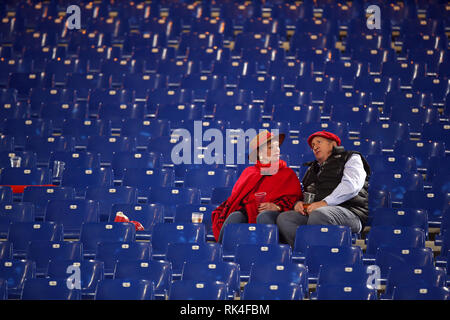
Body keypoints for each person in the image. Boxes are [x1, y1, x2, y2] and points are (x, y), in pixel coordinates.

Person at [276, 131, 371, 247]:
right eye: (313, 145)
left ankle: (319, 254)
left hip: (350, 212)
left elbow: (351, 186)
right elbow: (305, 193)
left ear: (333, 144)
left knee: (319, 214)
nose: (315, 147)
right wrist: (298, 203)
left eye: (319, 142)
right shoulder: (313, 168)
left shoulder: (351, 157)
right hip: (318, 212)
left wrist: (325, 203)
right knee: (285, 218)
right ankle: (305, 251)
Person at [211, 130, 302, 242]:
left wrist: (277, 206)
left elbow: (294, 199)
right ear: (259, 153)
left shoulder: (288, 173)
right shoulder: (249, 172)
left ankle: (269, 253)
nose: (277, 150)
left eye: (277, 146)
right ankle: (220, 253)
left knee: (263, 217)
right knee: (233, 218)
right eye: (270, 148)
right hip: (248, 211)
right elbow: (236, 199)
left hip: (277, 213)